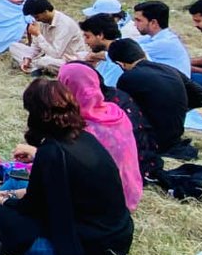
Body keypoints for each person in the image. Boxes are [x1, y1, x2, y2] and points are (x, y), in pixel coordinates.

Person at [0, 80, 133, 255]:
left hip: (90, 248)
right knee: (15, 185)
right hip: (118, 237)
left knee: (1, 219)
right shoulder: (85, 138)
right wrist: (9, 193)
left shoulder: (53, 154)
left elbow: (32, 208)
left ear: (38, 115)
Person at [57, 63, 142, 211]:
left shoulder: (81, 127)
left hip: (101, 205)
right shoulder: (115, 112)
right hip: (129, 194)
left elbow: (62, 172)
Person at [109, 39, 190, 154]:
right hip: (175, 136)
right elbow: (199, 93)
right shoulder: (168, 69)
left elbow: (122, 109)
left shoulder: (129, 77)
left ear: (120, 64)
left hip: (154, 141)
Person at [7, 0, 89, 75]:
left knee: (45, 61)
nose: (36, 19)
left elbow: (56, 54)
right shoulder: (42, 22)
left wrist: (38, 34)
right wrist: (27, 58)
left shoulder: (64, 24)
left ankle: (37, 67)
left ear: (46, 11)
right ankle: (35, 66)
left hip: (68, 59)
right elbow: (36, 46)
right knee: (13, 46)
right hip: (48, 55)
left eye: (37, 17)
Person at [132, 0, 190, 75]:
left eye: (138, 20)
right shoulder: (151, 37)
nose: (135, 24)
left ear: (153, 23)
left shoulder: (165, 42)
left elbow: (127, 51)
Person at [79, 14, 125, 87]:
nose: (85, 41)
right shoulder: (106, 56)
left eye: (88, 37)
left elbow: (105, 92)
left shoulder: (117, 63)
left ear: (100, 35)